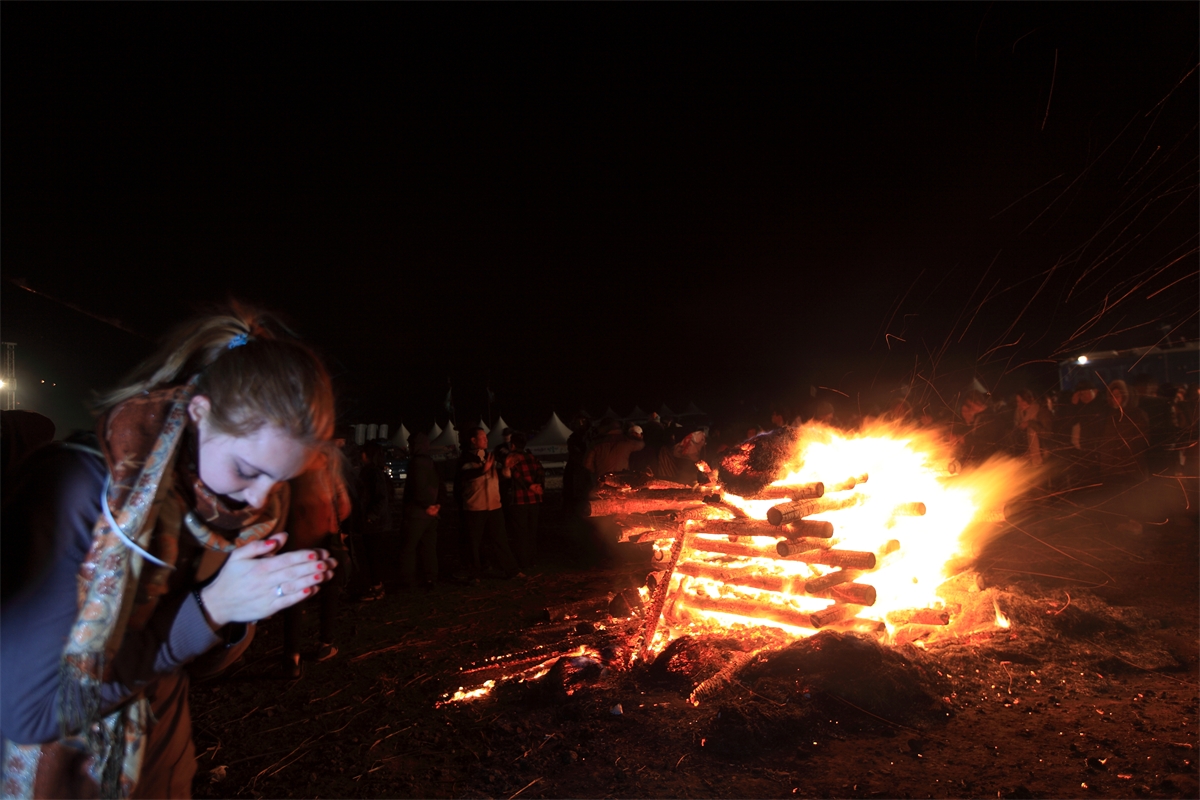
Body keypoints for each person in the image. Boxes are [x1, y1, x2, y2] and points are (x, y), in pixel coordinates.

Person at [0, 303, 337, 798]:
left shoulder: (220, 510)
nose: (259, 500)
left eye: (282, 479)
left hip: (163, 767)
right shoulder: (80, 490)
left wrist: (241, 609)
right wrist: (211, 608)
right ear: (199, 412)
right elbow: (29, 713)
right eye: (247, 470)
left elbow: (189, 668)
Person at [281, 447, 351, 678]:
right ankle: (325, 643)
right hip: (324, 540)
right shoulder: (328, 466)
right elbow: (344, 506)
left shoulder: (287, 466)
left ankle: (292, 657)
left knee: (294, 598)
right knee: (329, 592)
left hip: (295, 540)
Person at [457, 427, 524, 581]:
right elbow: (465, 476)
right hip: (475, 507)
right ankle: (474, 574)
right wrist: (483, 470)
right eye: (483, 437)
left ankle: (512, 571)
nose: (486, 440)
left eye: (486, 437)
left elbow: (500, 477)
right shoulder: (465, 458)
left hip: (494, 505)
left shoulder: (490, 456)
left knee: (500, 540)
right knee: (474, 543)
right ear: (473, 440)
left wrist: (506, 467)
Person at [399, 431, 444, 591]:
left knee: (408, 548)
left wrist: (427, 505)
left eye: (410, 444)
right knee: (428, 547)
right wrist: (437, 505)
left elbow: (417, 487)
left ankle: (408, 581)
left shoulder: (416, 463)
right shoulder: (430, 462)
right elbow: (439, 485)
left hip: (418, 513)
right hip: (431, 514)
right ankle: (431, 578)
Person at [504, 431, 544, 571]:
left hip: (520, 500)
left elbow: (515, 474)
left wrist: (529, 486)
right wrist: (537, 485)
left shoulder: (512, 458)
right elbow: (541, 472)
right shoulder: (532, 457)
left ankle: (523, 561)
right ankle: (532, 560)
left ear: (513, 445)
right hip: (534, 499)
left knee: (521, 532)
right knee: (532, 531)